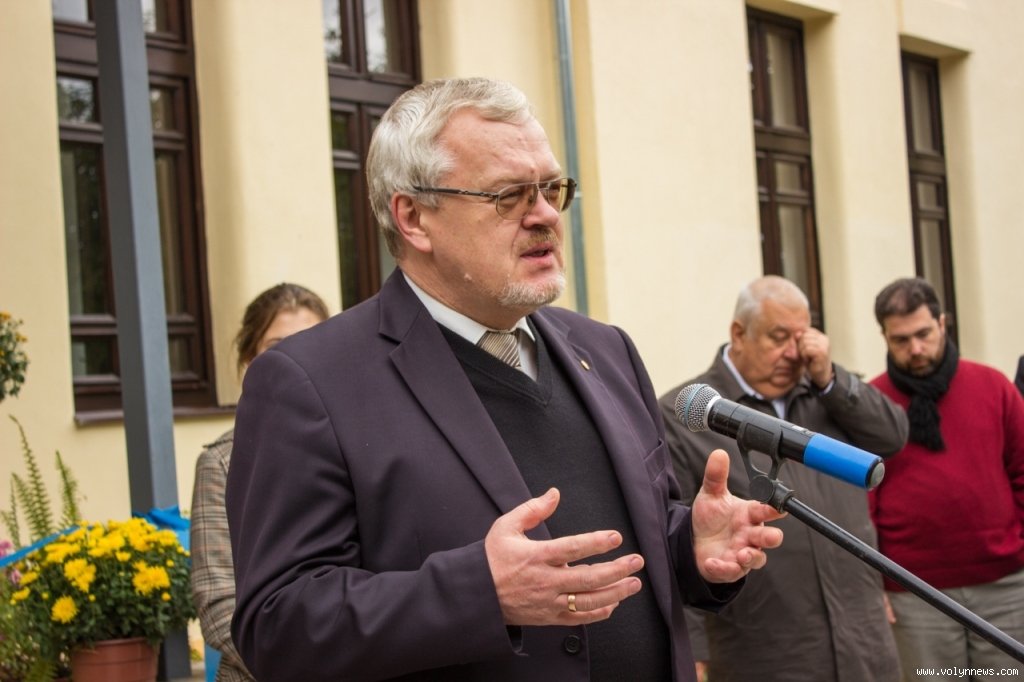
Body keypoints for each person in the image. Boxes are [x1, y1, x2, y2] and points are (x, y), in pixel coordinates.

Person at [225, 77, 785, 682]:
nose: (544, 215)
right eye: (509, 195)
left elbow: (634, 539)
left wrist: (689, 546)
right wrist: (480, 594)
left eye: (551, 189)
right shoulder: (310, 382)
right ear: (413, 218)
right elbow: (278, 626)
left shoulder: (607, 350)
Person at [658, 275, 907, 682]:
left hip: (862, 639)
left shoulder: (825, 393)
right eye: (779, 337)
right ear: (739, 334)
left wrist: (830, 379)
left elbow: (891, 438)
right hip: (768, 650)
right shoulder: (687, 416)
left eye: (801, 336)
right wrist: (693, 654)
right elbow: (675, 537)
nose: (794, 353)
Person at [869, 277, 1024, 679]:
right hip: (913, 594)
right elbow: (859, 502)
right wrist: (872, 582)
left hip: (1005, 587)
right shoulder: (872, 404)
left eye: (923, 334)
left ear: (942, 323)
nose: (915, 349)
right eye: (901, 339)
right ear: (884, 337)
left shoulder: (993, 386)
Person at [190, 283, 329, 682]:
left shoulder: (362, 448)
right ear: (250, 362)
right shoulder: (221, 463)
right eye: (278, 348)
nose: (299, 361)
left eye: (312, 344)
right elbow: (218, 603)